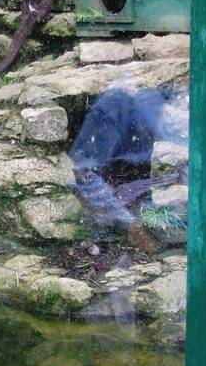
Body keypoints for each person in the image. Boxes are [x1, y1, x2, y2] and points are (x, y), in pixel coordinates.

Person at [69, 83, 189, 253]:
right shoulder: (113, 108)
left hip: (152, 195)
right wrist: (130, 226)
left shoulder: (169, 96)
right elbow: (83, 172)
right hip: (123, 202)